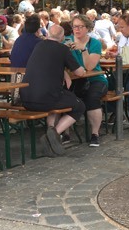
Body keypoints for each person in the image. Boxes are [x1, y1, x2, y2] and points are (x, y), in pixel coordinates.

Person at [20, 24, 86, 155]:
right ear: (62, 37)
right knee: (80, 106)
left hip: (26, 98)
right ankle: (53, 133)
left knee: (56, 102)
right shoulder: (62, 49)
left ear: (48, 34)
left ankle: (51, 129)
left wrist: (63, 71)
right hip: (47, 99)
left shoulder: (38, 46)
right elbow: (80, 73)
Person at [69, 15, 108, 147]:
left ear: (88, 28)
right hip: (76, 80)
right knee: (63, 95)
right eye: (75, 26)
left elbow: (90, 66)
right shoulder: (67, 42)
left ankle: (95, 134)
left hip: (95, 79)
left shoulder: (94, 43)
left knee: (92, 98)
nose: (77, 29)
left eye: (81, 26)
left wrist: (83, 49)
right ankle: (65, 133)